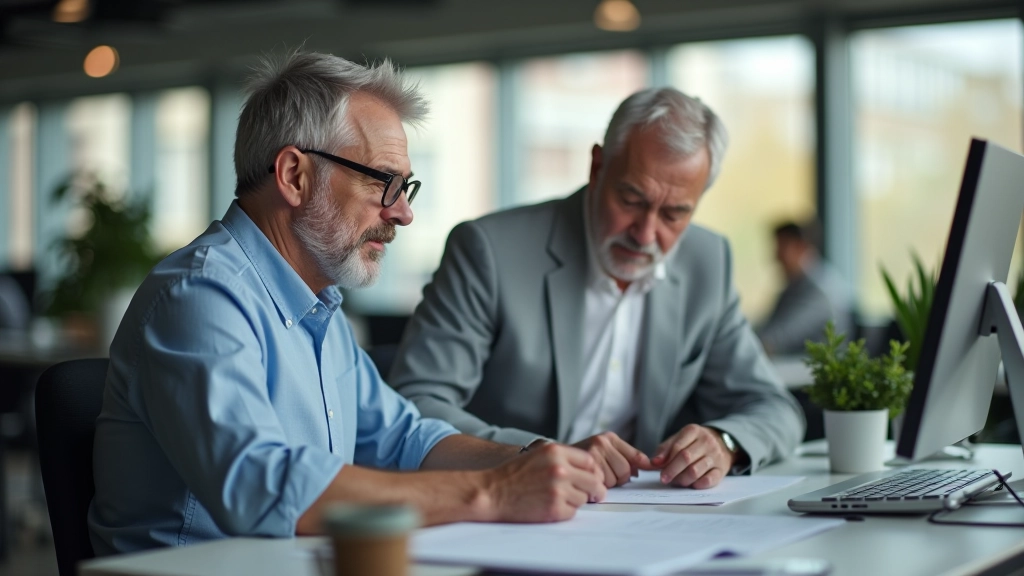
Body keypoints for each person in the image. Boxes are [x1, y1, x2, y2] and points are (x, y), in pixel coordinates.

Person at [88, 51, 607, 556]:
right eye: (383, 182)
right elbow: (262, 487)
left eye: (406, 187)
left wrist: (537, 459)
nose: (403, 213)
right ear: (294, 175)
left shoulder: (318, 307)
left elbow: (406, 440)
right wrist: (495, 492)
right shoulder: (200, 297)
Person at [389, 87, 805, 492]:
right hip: (508, 505)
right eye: (631, 199)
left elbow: (775, 410)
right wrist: (536, 453)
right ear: (596, 166)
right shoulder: (490, 251)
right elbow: (417, 402)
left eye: (674, 214)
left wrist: (725, 442)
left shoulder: (706, 261)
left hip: (646, 519)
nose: (645, 234)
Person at [756, 220, 853, 356]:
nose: (776, 257)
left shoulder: (818, 291)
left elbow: (775, 340)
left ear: (801, 247)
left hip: (810, 371)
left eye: (782, 248)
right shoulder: (794, 287)